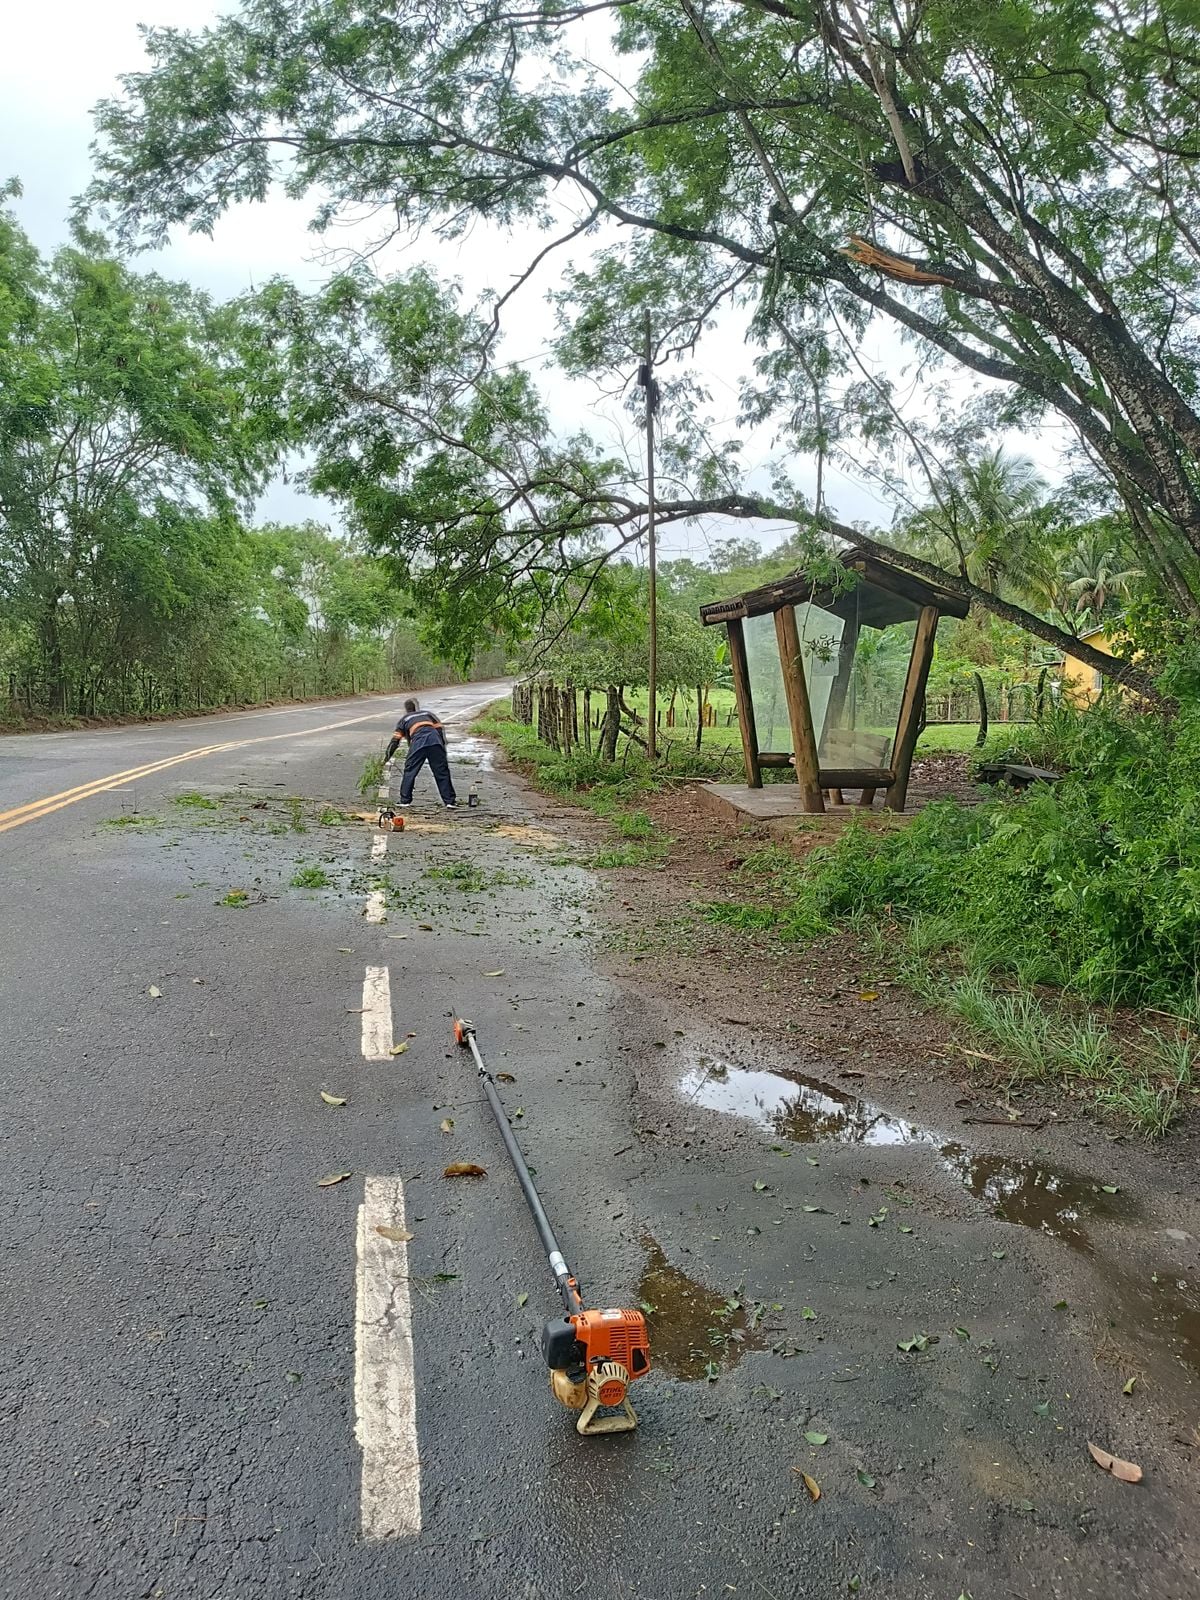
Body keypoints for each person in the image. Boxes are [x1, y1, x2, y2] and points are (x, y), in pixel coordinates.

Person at [384, 698, 458, 808]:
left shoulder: (404, 720)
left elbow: (395, 742)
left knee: (410, 771)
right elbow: (440, 730)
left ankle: (405, 801)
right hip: (435, 742)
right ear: (416, 708)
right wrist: (441, 747)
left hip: (419, 744)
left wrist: (386, 758)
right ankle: (450, 802)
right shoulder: (428, 714)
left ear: (406, 710)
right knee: (442, 772)